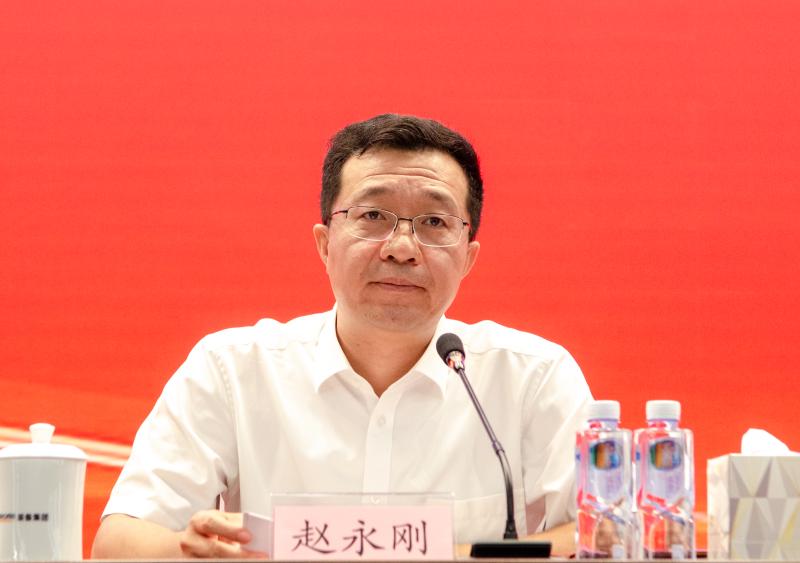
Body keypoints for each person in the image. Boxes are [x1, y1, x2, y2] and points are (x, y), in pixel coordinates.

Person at [91, 114, 592, 558]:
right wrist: (191, 550)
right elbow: (118, 543)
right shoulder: (232, 369)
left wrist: (431, 555)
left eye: (434, 221)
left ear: (468, 257)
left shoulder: (534, 378)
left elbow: (602, 535)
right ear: (325, 243)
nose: (401, 247)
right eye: (373, 216)